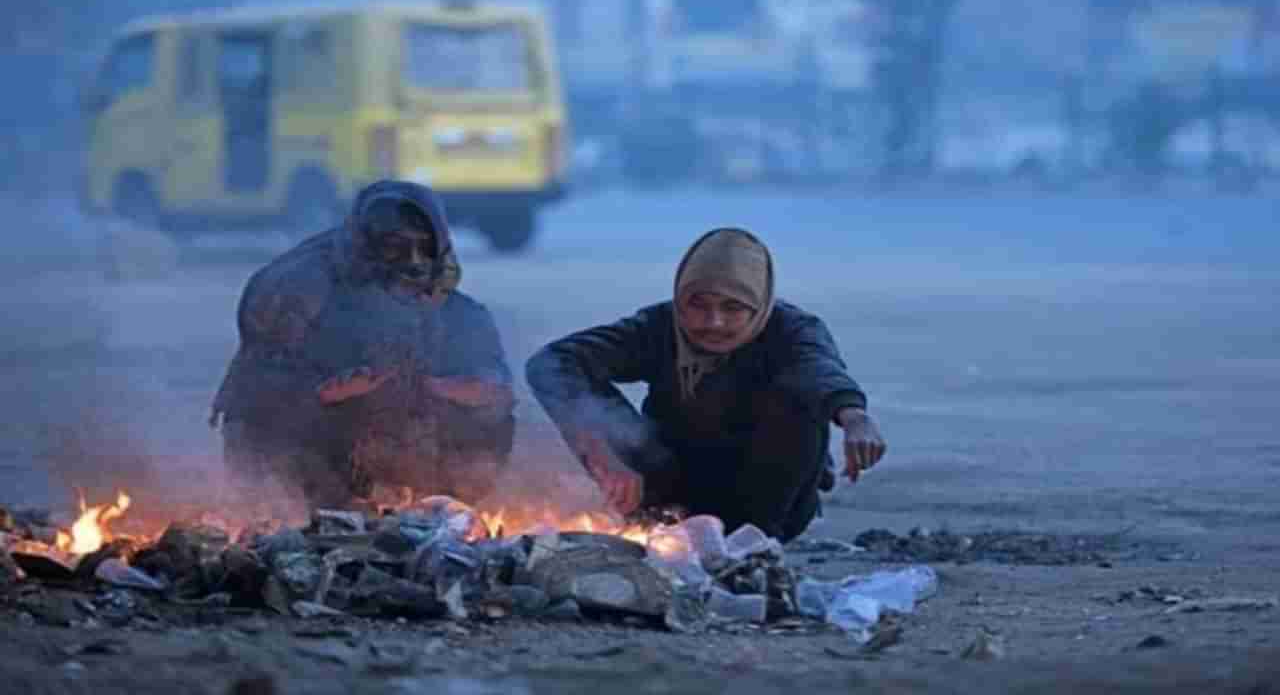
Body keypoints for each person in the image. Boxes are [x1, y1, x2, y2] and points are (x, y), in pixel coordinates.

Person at [526, 228, 886, 542]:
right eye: (698, 304)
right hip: (670, 493)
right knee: (591, 402)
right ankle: (662, 528)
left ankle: (752, 545)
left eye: (733, 308)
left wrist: (854, 416)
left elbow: (818, 371)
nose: (713, 323)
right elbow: (552, 362)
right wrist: (601, 454)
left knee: (798, 404)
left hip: (763, 501)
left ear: (758, 306)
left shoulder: (792, 331)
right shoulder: (658, 327)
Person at [210, 180, 514, 506]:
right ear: (366, 247)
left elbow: (496, 386)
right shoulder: (297, 292)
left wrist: (464, 390)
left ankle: (431, 509)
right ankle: (309, 511)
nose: (412, 262)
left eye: (423, 247)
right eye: (394, 247)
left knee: (482, 415)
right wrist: (325, 393)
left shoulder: (461, 313)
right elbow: (254, 398)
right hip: (300, 445)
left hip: (391, 449)